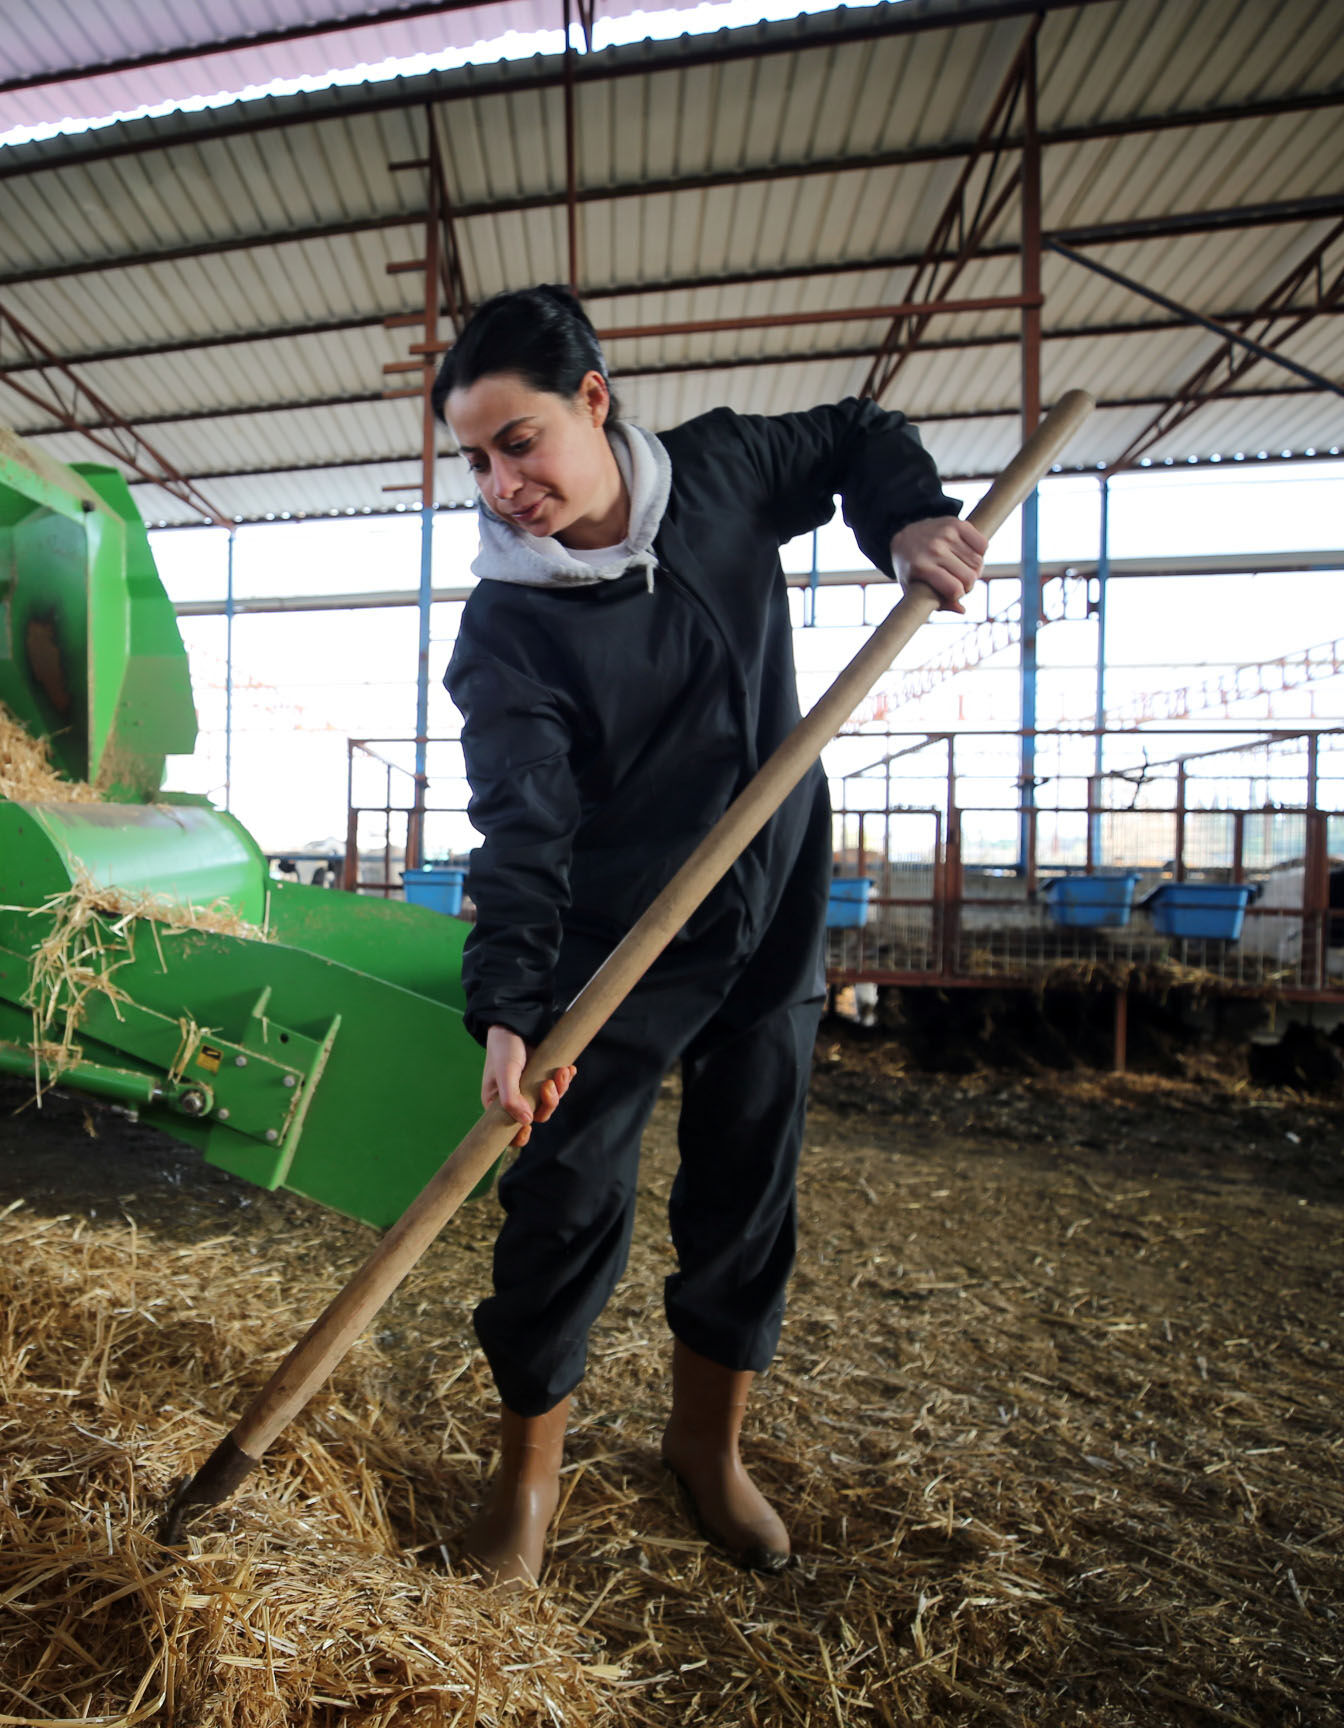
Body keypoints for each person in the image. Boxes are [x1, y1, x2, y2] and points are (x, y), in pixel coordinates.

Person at [437, 286, 984, 1585]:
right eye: (476, 460)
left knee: (748, 1176)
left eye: (519, 442)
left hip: (773, 895)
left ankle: (706, 1444)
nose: (503, 485)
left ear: (593, 401)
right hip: (618, 932)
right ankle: (527, 1479)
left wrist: (905, 517)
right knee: (565, 1193)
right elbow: (522, 831)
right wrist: (509, 1006)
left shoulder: (724, 475)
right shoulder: (511, 623)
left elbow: (857, 432)